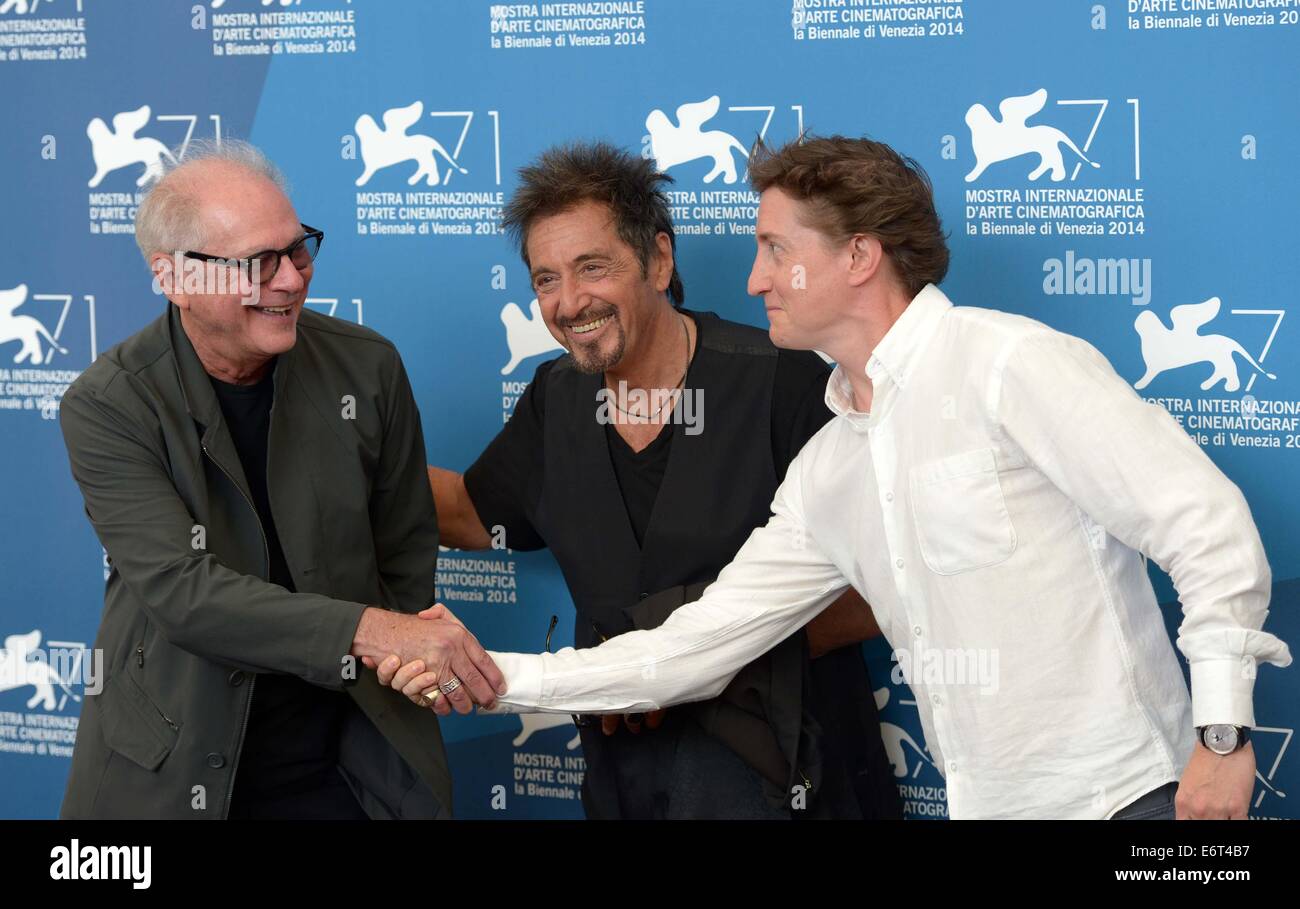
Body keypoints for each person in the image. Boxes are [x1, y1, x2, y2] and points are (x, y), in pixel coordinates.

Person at [384, 136, 1292, 820]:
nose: (753, 277)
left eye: (778, 251)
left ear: (858, 256)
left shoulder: (1008, 363)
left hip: (1136, 794)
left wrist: (1220, 735)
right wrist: (494, 674)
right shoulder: (830, 465)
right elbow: (693, 646)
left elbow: (1205, 526)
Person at [411, 142, 900, 819]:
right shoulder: (557, 398)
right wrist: (338, 461)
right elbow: (472, 511)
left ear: (660, 260)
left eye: (592, 267)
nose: (569, 301)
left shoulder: (779, 382)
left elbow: (884, 583)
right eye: (545, 279)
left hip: (793, 776)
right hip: (629, 785)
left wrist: (693, 663)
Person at [58, 139, 503, 820]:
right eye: (257, 263)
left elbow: (404, 553)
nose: (293, 278)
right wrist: (370, 631)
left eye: (298, 250)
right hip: (173, 765)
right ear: (176, 278)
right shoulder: (109, 402)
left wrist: (398, 651)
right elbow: (184, 592)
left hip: (346, 762)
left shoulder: (368, 369)